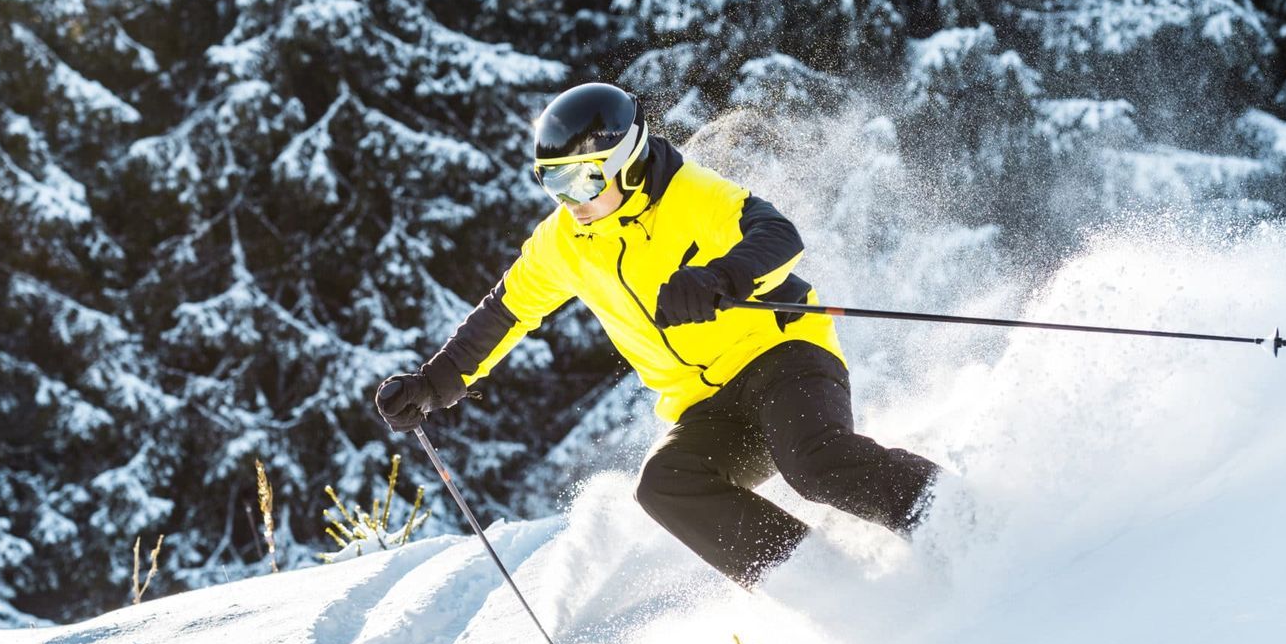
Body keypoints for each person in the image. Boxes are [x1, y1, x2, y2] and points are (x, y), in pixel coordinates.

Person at [374, 82, 946, 589]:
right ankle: (827, 588)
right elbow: (504, 313)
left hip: (781, 356)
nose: (571, 201)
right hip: (703, 402)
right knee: (667, 485)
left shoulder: (691, 193)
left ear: (624, 162)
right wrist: (433, 384)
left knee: (815, 466)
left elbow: (779, 235)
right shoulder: (564, 241)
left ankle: (951, 513)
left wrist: (717, 277)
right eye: (554, 184)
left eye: (583, 178)